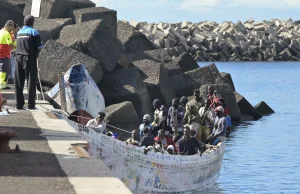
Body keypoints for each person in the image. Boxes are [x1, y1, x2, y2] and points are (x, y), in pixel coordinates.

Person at [15, 15, 43, 110]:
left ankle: (19, 104)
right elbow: (39, 47)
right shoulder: (34, 32)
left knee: (19, 82)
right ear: (32, 23)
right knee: (31, 82)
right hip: (29, 58)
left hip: (18, 58)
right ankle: (31, 105)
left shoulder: (19, 32)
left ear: (24, 22)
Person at [0, 20, 16, 88]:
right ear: (8, 26)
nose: (12, 30)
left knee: (2, 69)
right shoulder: (6, 33)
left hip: (1, 54)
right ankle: (2, 85)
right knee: (4, 70)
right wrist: (18, 48)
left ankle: (2, 84)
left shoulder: (0, 31)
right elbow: (10, 44)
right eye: (11, 28)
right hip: (4, 54)